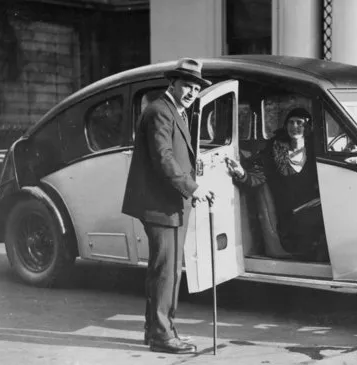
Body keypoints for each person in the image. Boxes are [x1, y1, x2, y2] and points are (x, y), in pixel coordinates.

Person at [122, 58, 214, 354]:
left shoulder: (174, 111)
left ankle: (155, 330)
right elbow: (164, 158)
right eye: (186, 85)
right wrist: (192, 188)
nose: (191, 92)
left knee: (162, 270)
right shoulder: (161, 111)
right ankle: (163, 335)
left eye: (196, 87)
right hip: (163, 205)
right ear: (172, 83)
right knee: (167, 272)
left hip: (168, 204)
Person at [226, 107, 328, 261]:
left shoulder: (316, 150)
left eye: (300, 123)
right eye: (291, 122)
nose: (295, 127)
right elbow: (259, 177)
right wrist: (242, 174)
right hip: (291, 214)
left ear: (308, 127)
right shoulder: (274, 150)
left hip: (314, 204)